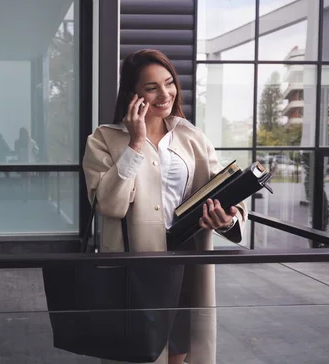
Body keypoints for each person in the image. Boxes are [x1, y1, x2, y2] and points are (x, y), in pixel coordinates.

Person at [82, 49, 247, 364]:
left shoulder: (190, 136)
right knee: (139, 352)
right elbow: (109, 205)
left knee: (180, 350)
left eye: (169, 83)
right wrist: (135, 143)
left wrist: (225, 220)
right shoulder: (103, 139)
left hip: (185, 260)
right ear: (133, 94)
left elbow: (222, 192)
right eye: (151, 87)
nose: (164, 94)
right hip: (135, 264)